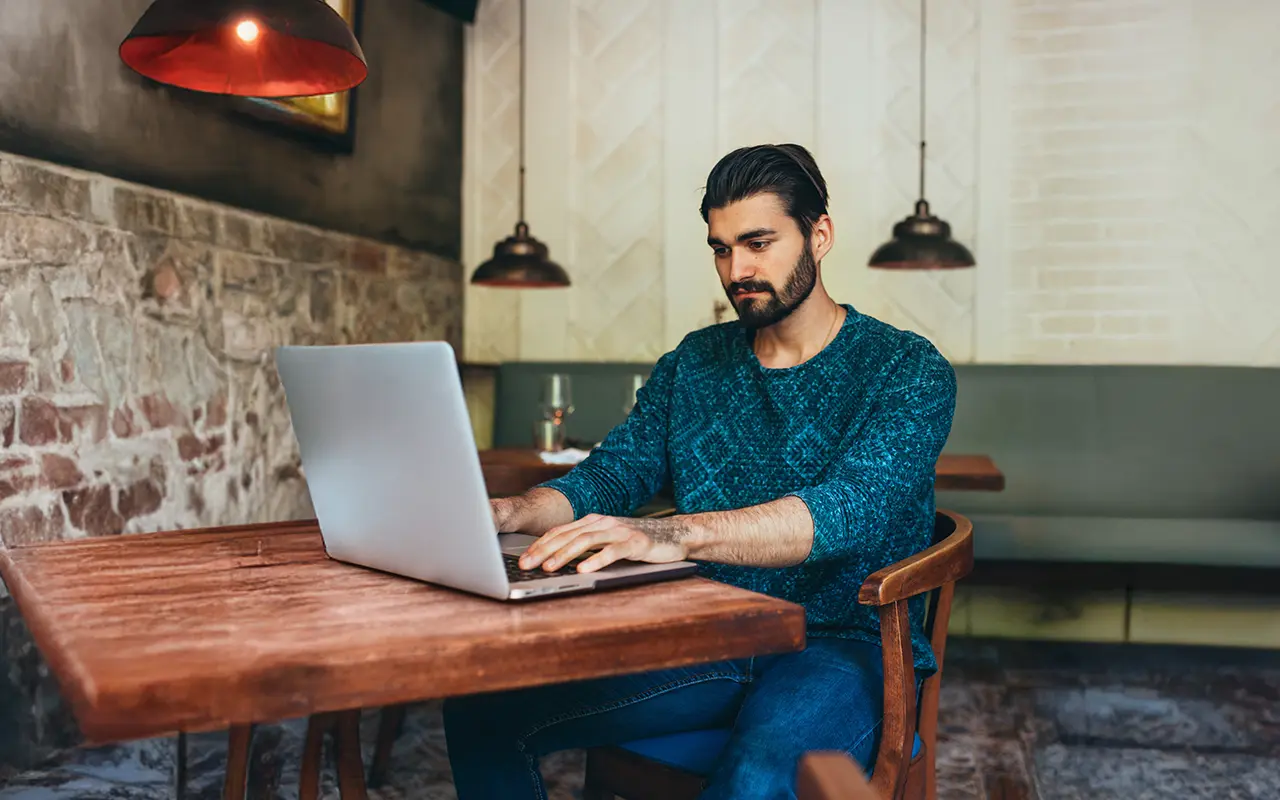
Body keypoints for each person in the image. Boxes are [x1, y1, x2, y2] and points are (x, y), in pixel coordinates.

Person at [442, 143, 957, 799]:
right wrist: (512, 511)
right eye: (720, 248)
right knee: (481, 712)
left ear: (819, 234)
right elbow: (610, 477)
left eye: (758, 243)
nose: (736, 268)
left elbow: (848, 509)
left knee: (753, 779)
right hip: (709, 632)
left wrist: (673, 534)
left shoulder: (907, 369)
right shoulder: (695, 362)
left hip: (841, 647)